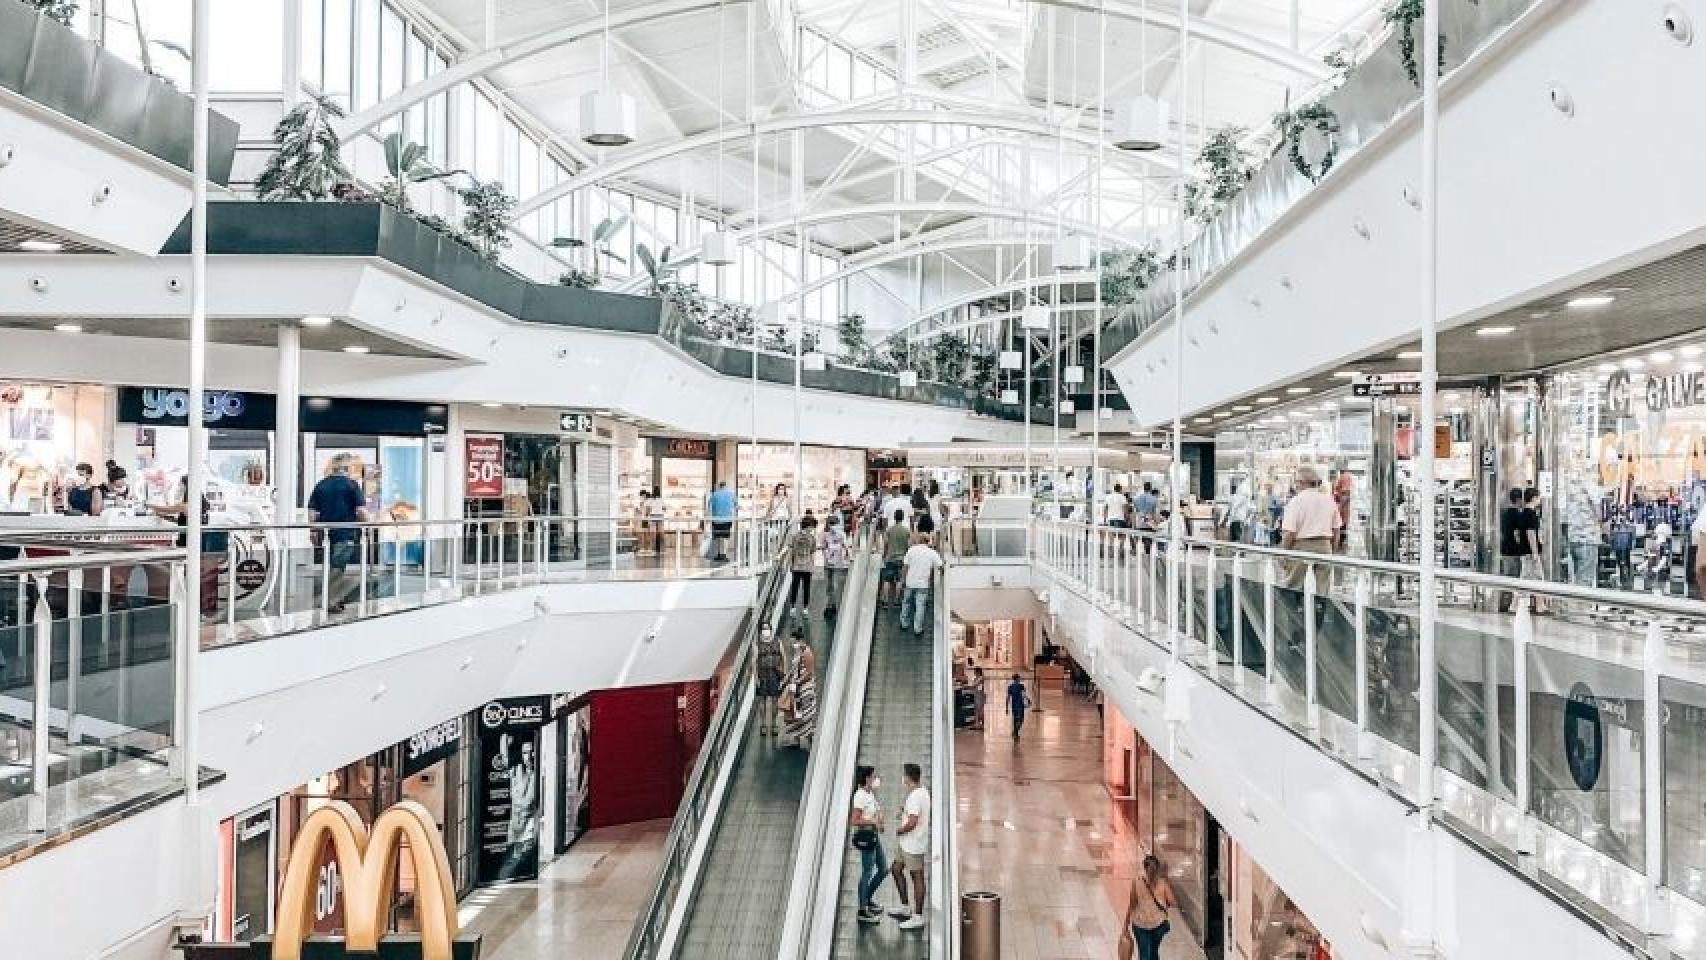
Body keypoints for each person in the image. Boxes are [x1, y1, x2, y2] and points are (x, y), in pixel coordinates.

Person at [308, 454, 370, 614]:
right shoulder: (351, 485)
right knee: (338, 568)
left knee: (330, 566)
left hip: (326, 534)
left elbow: (313, 513)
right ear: (347, 468)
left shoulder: (320, 485)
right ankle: (331, 601)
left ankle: (330, 599)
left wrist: (314, 531)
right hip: (345, 533)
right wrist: (368, 525)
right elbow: (361, 511)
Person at [1278, 464, 1341, 587]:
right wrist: (1331, 550)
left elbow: (1290, 533)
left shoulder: (1296, 501)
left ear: (1301, 482)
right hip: (1324, 547)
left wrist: (1283, 553)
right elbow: (1337, 530)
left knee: (1295, 588)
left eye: (1295, 481)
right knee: (1321, 591)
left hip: (1302, 548)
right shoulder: (1328, 500)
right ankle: (1318, 606)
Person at [888, 762, 930, 930]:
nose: (902, 778)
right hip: (906, 844)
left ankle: (918, 916)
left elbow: (913, 822)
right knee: (896, 869)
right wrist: (903, 810)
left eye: (904, 775)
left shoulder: (915, 796)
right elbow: (913, 813)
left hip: (913, 844)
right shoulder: (921, 792)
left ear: (908, 777)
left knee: (917, 877)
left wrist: (900, 830)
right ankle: (905, 907)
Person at [851, 765, 890, 923]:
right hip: (866, 836)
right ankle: (862, 909)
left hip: (874, 836)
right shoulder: (859, 796)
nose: (876, 779)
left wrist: (879, 818)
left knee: (883, 869)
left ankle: (867, 899)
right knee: (867, 871)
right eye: (874, 776)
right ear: (867, 778)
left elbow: (876, 809)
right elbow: (854, 820)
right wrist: (873, 821)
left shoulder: (869, 793)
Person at [1122, 854, 1176, 960]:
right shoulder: (1163, 883)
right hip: (1159, 924)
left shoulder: (1137, 882)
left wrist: (1126, 923)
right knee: (1153, 951)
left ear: (1144, 868)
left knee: (1145, 953)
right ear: (1157, 868)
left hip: (1140, 924)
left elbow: (1132, 904)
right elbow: (1173, 902)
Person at [780, 627, 818, 748]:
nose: (792, 644)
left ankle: (809, 735)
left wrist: (797, 681)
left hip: (805, 687)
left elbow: (809, 672)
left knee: (804, 712)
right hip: (796, 686)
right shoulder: (798, 652)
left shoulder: (807, 653)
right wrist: (787, 678)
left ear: (799, 640)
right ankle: (796, 737)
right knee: (793, 712)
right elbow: (794, 667)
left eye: (793, 642)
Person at [900, 532, 943, 636]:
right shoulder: (932, 553)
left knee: (906, 602)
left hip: (910, 582)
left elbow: (905, 566)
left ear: (919, 540)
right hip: (923, 584)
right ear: (928, 541)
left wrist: (902, 579)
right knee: (920, 606)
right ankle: (917, 629)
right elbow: (941, 565)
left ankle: (904, 623)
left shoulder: (911, 550)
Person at [1497, 488, 1529, 612]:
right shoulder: (1516, 514)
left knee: (1506, 575)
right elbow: (1517, 533)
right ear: (1518, 499)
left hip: (1505, 548)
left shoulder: (1504, 513)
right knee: (1513, 577)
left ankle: (1504, 602)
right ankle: (1509, 603)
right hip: (1513, 550)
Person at [754, 622, 785, 737]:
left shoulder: (777, 641)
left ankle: (774, 725)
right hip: (762, 674)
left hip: (775, 674)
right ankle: (763, 725)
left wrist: (783, 673)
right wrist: (756, 678)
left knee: (775, 700)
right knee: (762, 700)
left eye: (767, 628)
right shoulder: (757, 644)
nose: (765, 630)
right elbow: (754, 661)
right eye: (763, 628)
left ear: (771, 630)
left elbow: (783, 656)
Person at [787, 512, 820, 614]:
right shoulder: (811, 538)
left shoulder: (795, 536)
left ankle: (794, 606)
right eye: (812, 527)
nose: (813, 529)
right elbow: (812, 552)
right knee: (805, 587)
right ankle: (804, 607)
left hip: (797, 565)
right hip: (805, 566)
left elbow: (791, 550)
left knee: (796, 586)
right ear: (808, 526)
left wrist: (790, 564)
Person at [880, 508, 911, 607]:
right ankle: (897, 601)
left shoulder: (889, 530)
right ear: (902, 518)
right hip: (902, 559)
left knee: (887, 580)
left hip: (890, 558)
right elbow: (908, 545)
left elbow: (886, 544)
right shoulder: (906, 531)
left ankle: (884, 600)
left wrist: (884, 555)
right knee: (899, 580)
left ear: (894, 517)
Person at [822, 515, 851, 617]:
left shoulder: (827, 534)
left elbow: (824, 547)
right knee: (832, 584)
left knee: (831, 585)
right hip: (836, 562)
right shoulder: (837, 534)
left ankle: (831, 604)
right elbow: (846, 547)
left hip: (831, 562)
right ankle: (832, 604)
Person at [705, 480, 737, 563]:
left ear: (719, 486)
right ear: (725, 486)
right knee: (726, 537)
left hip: (716, 520)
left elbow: (709, 507)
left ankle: (719, 554)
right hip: (727, 519)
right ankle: (724, 554)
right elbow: (736, 506)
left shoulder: (714, 494)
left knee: (718, 537)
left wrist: (709, 517)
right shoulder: (731, 494)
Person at [1006, 673, 1031, 741]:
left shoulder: (1010, 687)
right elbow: (1024, 695)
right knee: (1021, 719)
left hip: (1014, 705)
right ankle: (1016, 731)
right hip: (1020, 705)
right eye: (1019, 678)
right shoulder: (1021, 686)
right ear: (1017, 678)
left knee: (1015, 719)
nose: (1020, 679)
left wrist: (1007, 707)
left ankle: (1015, 731)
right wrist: (1028, 700)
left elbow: (1008, 697)